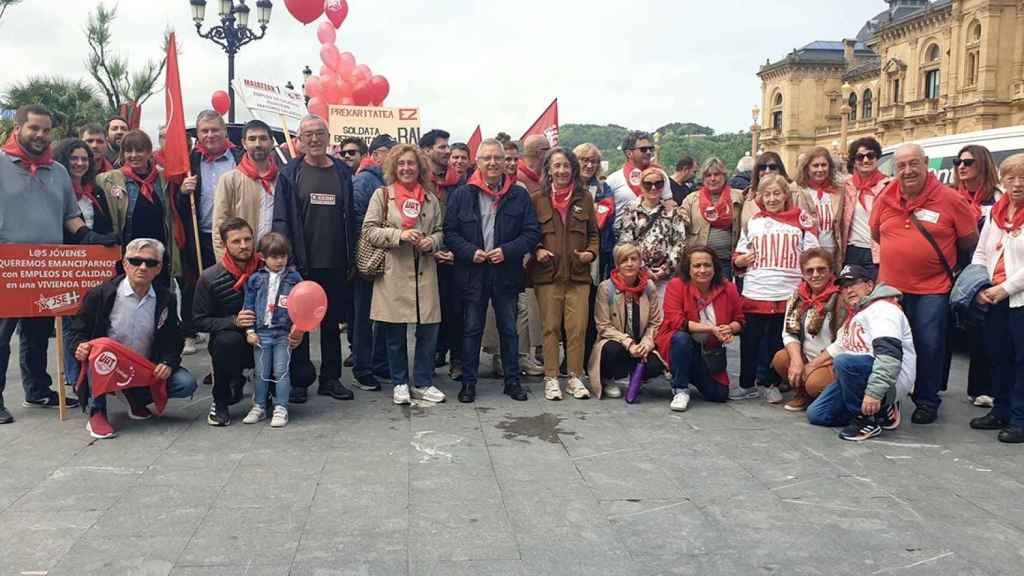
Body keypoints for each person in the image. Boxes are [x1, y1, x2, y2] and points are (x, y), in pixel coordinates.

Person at [1, 105, 114, 422]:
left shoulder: (59, 171)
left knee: (36, 333)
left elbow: (70, 216)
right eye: (33, 128)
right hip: (8, 265)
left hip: (47, 266)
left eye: (45, 130)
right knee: (1, 335)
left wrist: (92, 237)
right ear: (18, 127)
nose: (39, 135)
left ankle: (37, 390)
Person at [870, 143, 978, 424]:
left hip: (933, 287)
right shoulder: (885, 197)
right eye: (901, 165)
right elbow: (876, 232)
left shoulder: (950, 199)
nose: (907, 171)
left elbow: (969, 240)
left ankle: (927, 400)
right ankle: (887, 399)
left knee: (929, 345)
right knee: (888, 344)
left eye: (913, 163)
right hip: (891, 289)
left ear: (926, 163)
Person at [69, 238, 198, 439]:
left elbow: (174, 339)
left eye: (151, 263)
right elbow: (78, 330)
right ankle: (97, 411)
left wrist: (168, 362)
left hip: (143, 366)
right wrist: (80, 346)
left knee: (185, 383)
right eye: (136, 261)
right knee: (99, 350)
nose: (143, 267)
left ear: (159, 268)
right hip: (106, 365)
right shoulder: (101, 294)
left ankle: (134, 397)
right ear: (125, 264)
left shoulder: (166, 299)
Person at [193, 218, 315, 425]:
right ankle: (220, 400)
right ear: (224, 244)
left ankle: (272, 393)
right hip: (237, 341)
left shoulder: (274, 267)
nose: (243, 246)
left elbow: (301, 305)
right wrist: (233, 321)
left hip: (274, 335)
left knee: (303, 374)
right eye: (236, 241)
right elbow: (198, 321)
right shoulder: (209, 278)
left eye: (248, 239)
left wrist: (299, 332)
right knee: (225, 342)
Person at [444, 139, 540, 402]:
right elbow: (450, 232)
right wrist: (469, 251)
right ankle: (469, 383)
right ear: (478, 161)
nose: (493, 163)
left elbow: (531, 233)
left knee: (509, 329)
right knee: (472, 328)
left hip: (505, 272)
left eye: (498, 158)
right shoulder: (463, 194)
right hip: (473, 273)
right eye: (487, 158)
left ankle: (512, 381)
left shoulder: (518, 194)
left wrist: (507, 251)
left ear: (507, 161)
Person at [273, 114, 356, 402]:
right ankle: (300, 381)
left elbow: (353, 218)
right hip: (301, 263)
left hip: (336, 261)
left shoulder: (343, 172)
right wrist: (286, 260)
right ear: (299, 140)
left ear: (328, 136)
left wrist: (353, 257)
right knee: (299, 324)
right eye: (307, 134)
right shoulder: (289, 173)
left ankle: (330, 379)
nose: (314, 139)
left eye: (319, 133)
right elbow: (281, 219)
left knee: (332, 324)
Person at [362, 144, 446, 405]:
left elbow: (441, 230)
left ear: (420, 167)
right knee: (395, 333)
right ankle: (400, 382)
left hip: (425, 273)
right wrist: (400, 235)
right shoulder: (382, 195)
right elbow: (369, 230)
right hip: (394, 272)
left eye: (411, 163)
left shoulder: (431, 199)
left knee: (428, 331)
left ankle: (422, 382)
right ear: (394, 167)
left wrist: (432, 241)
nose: (407, 168)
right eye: (402, 164)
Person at [733, 173, 819, 403]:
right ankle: (746, 384)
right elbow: (739, 254)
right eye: (767, 194)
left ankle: (770, 383)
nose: (772, 199)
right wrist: (740, 261)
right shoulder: (753, 222)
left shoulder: (801, 220)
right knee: (750, 341)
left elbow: (813, 254)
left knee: (776, 341)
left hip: (787, 292)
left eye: (776, 194)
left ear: (785, 195)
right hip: (756, 290)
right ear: (760, 197)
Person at [806, 265, 915, 442]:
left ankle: (867, 419)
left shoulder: (883, 310)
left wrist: (874, 394)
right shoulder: (858, 314)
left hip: (890, 378)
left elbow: (889, 357)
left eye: (854, 284)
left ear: (869, 286)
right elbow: (840, 345)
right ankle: (880, 409)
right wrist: (812, 364)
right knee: (817, 414)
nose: (848, 290)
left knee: (844, 362)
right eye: (844, 287)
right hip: (860, 376)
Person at [528, 147, 599, 400]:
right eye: (556, 165)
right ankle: (551, 377)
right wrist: (536, 250)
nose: (561, 170)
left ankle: (574, 377)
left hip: (578, 276)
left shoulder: (584, 198)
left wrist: (590, 254)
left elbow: (593, 234)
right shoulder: (537, 199)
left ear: (573, 169)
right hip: (547, 276)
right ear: (548, 169)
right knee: (550, 329)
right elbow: (529, 233)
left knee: (577, 328)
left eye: (566, 166)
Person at [968, 153, 1024, 443]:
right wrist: (980, 284)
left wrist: (1005, 289)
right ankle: (1000, 410)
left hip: (1018, 300)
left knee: (1021, 361)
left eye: (1023, 178)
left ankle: (1019, 418)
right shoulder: (995, 213)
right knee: (998, 357)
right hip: (994, 297)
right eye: (1011, 178)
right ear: (1002, 181)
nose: (1017, 185)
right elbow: (981, 252)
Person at [179, 111, 244, 355]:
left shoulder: (239, 157)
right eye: (204, 130)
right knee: (195, 285)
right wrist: (184, 192)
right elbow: (176, 204)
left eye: (214, 129)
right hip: (201, 234)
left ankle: (231, 345)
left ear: (225, 131)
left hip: (235, 238)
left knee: (231, 290)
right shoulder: (190, 161)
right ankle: (191, 332)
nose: (209, 135)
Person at [54, 138, 115, 393]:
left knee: (94, 316)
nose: (79, 163)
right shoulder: (56, 188)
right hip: (66, 263)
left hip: (94, 264)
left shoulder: (95, 190)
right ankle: (72, 375)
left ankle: (94, 370)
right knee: (70, 321)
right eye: (74, 158)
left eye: (84, 158)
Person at [657, 246, 744, 411]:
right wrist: (711, 329)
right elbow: (676, 321)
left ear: (715, 267)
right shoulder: (676, 285)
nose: (702, 270)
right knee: (681, 339)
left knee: (719, 395)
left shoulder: (729, 288)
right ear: (688, 269)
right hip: (679, 343)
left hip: (709, 352)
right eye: (697, 266)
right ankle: (680, 388)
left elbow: (740, 321)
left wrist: (729, 328)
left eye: (707, 265)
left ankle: (685, 371)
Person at [95, 130, 181, 289]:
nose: (134, 155)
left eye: (139, 150)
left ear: (150, 153)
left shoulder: (164, 178)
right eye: (129, 151)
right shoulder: (108, 180)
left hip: (158, 256)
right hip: (128, 256)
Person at [954, 144, 1001, 407]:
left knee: (990, 328)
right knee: (973, 330)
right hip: (962, 272)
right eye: (958, 161)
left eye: (968, 162)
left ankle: (990, 387)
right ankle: (978, 387)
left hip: (991, 272)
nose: (961, 166)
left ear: (982, 164)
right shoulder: (954, 197)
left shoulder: (998, 199)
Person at [772, 248, 846, 411]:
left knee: (815, 384)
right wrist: (797, 361)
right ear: (803, 274)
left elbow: (844, 342)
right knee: (781, 358)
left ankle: (826, 396)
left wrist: (813, 365)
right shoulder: (797, 296)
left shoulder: (842, 298)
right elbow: (789, 331)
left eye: (821, 269)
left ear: (831, 271)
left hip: (830, 360)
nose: (815, 274)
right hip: (807, 356)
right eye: (809, 270)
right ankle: (802, 394)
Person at [241, 233, 302, 428]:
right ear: (262, 257)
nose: (280, 261)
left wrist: (298, 327)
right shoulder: (255, 279)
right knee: (261, 372)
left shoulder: (294, 277)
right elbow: (248, 305)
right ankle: (259, 406)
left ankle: (281, 407)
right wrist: (249, 330)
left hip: (283, 333)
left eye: (283, 256)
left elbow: (302, 303)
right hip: (262, 333)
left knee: (282, 371)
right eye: (275, 257)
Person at [350, 134, 396, 391]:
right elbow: (357, 224)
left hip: (387, 259)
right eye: (391, 153)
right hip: (368, 260)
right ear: (377, 154)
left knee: (383, 315)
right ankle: (363, 368)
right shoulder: (364, 181)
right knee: (364, 317)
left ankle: (379, 363)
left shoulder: (388, 181)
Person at [591, 243, 666, 400]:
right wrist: (629, 343)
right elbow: (603, 326)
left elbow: (655, 322)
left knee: (655, 364)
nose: (630, 264)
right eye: (624, 260)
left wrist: (646, 343)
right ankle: (608, 378)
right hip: (617, 341)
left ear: (640, 263)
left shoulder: (649, 287)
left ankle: (636, 377)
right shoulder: (606, 288)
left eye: (634, 259)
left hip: (640, 342)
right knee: (612, 350)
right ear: (617, 265)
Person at [418, 129, 461, 372]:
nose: (447, 151)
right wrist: (431, 248)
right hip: (425, 256)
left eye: (448, 147)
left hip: (455, 257)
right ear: (426, 150)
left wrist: (458, 251)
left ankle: (457, 360)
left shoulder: (460, 183)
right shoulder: (418, 183)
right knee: (427, 315)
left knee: (456, 312)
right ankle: (429, 361)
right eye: (442, 147)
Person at [211, 119, 280, 261]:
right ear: (244, 143)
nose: (258, 144)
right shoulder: (230, 179)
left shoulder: (282, 179)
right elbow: (219, 227)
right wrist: (226, 266)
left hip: (274, 261)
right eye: (252, 139)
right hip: (241, 263)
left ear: (272, 142)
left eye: (263, 138)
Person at [615, 166, 687, 296]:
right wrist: (642, 269)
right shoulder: (631, 210)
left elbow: (679, 243)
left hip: (665, 276)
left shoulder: (673, 211)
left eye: (658, 184)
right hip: (636, 275)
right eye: (648, 184)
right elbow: (626, 241)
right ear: (641, 186)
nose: (653, 188)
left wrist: (666, 268)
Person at [679, 157, 744, 279]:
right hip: (699, 263)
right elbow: (680, 222)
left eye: (717, 174)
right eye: (708, 175)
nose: (712, 179)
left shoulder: (739, 197)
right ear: (703, 178)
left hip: (726, 263)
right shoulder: (691, 199)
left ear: (724, 176)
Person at [839, 137, 890, 275]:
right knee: (851, 293)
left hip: (875, 252)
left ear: (877, 157)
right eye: (860, 157)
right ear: (854, 161)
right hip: (850, 251)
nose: (866, 160)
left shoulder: (888, 185)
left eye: (870, 155)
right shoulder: (846, 185)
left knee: (873, 293)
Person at [795, 146, 843, 261]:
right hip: (807, 254)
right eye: (815, 166)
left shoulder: (839, 191)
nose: (820, 169)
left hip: (832, 253)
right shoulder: (797, 191)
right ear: (807, 168)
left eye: (823, 165)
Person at [606, 131, 669, 215]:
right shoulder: (613, 180)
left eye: (650, 149)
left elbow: (668, 203)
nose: (648, 152)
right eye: (643, 149)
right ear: (629, 153)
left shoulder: (661, 175)